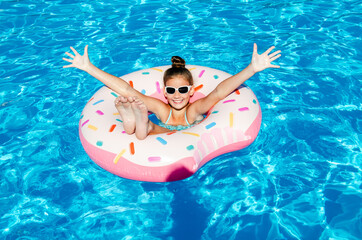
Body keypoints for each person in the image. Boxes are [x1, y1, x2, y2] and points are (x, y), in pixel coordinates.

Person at [62, 43, 281, 140]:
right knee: (144, 127)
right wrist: (88, 68)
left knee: (142, 129)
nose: (177, 95)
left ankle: (135, 118)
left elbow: (218, 93)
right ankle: (135, 118)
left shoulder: (194, 110)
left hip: (157, 130)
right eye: (171, 90)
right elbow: (125, 88)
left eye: (183, 89)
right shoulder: (161, 109)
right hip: (155, 128)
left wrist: (252, 68)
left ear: (191, 91)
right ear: (164, 93)